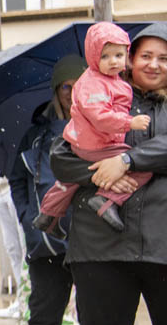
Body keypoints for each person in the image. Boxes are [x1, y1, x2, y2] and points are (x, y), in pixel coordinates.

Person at [50, 22, 167, 325]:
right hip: (102, 242)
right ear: (128, 58)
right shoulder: (100, 95)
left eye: (164, 58)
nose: (153, 64)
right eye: (145, 55)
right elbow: (62, 156)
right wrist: (102, 171)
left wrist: (128, 160)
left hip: (162, 242)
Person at [0, 53, 86, 325]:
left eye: (81, 86)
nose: (73, 94)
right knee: (42, 322)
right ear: (56, 90)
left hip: (90, 244)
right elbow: (17, 180)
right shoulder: (34, 136)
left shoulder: (100, 131)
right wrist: (26, 217)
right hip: (46, 245)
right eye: (67, 87)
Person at [37, 23, 151, 234]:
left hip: (86, 142)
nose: (113, 61)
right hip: (98, 144)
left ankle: (48, 214)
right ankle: (107, 200)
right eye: (105, 56)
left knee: (71, 179)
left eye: (118, 55)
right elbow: (100, 117)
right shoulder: (95, 83)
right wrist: (129, 122)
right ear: (93, 57)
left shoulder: (110, 80)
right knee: (141, 164)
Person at [0, 165, 26, 319]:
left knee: (25, 248)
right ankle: (20, 299)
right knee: (11, 248)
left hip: (15, 185)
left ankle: (27, 301)